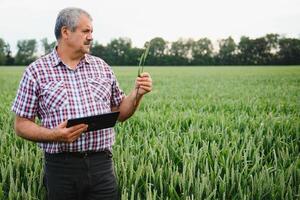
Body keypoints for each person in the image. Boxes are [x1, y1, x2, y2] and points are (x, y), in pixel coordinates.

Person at [11, 7, 152, 200]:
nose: (91, 36)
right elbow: (21, 125)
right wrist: (55, 135)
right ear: (66, 32)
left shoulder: (101, 67)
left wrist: (137, 93)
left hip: (102, 166)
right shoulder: (36, 72)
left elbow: (120, 113)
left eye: (92, 32)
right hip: (61, 169)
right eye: (86, 31)